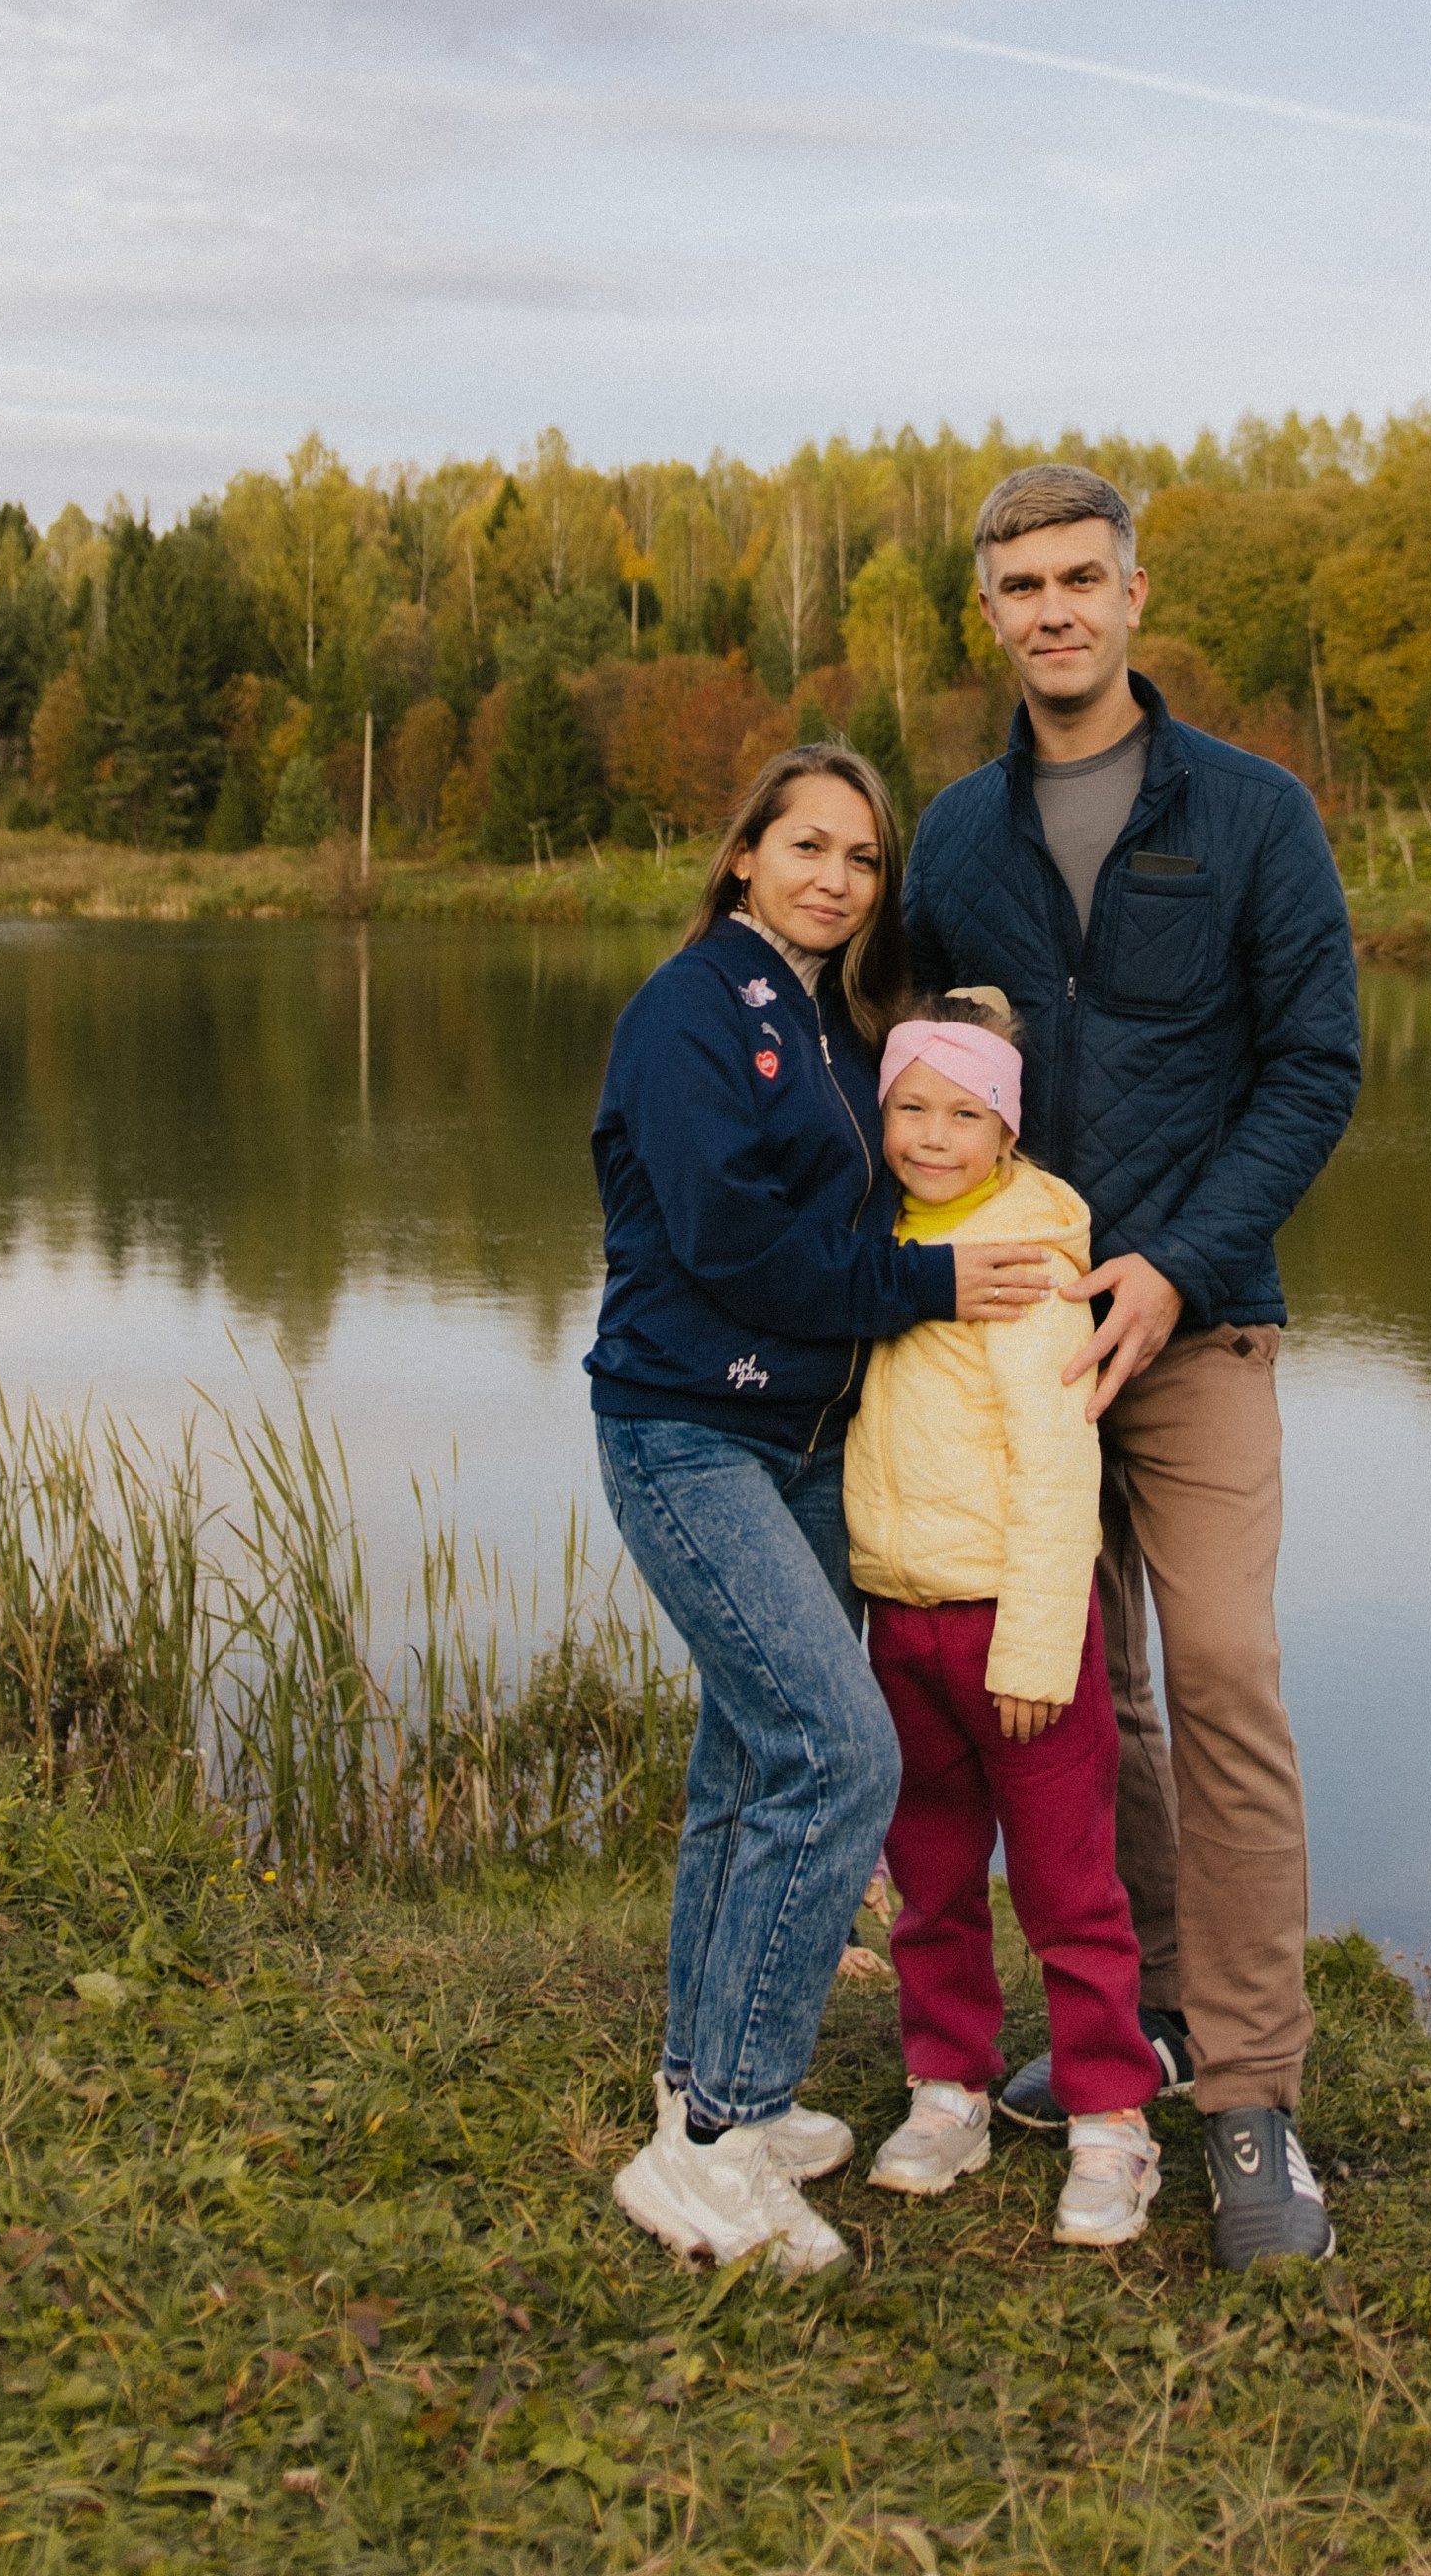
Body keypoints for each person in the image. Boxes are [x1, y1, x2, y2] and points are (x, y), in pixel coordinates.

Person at [904, 466, 1363, 2268]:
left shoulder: (1254, 817)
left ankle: (1251, 2095)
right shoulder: (950, 841)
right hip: (1006, 1351)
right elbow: (924, 1090)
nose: (1053, 611)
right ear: (996, 613)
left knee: (1228, 1669)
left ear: (1134, 595)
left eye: (1080, 577)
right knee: (1083, 1695)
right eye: (1019, 586)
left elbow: (1314, 1070)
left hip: (1200, 1319)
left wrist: (1171, 1266)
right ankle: (1156, 2012)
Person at [585, 744, 1056, 2279]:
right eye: (807, 846)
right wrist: (929, 1282)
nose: (836, 878)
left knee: (745, 1764)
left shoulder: (829, 1022)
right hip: (688, 1433)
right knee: (838, 1750)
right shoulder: (689, 1013)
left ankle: (697, 2091)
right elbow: (730, 1242)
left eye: (862, 858)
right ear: (742, 857)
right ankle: (717, 2145)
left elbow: (921, 1157)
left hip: (797, 1447)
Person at [845, 987, 1163, 2250]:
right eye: (910, 1108)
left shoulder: (1029, 1262)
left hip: (1016, 1634)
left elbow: (1060, 1465)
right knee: (929, 1881)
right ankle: (947, 2086)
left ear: (1006, 1132)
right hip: (902, 1622)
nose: (930, 1135)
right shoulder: (883, 1244)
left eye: (962, 1115)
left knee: (1067, 1887)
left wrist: (1038, 1638)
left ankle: (1109, 2119)